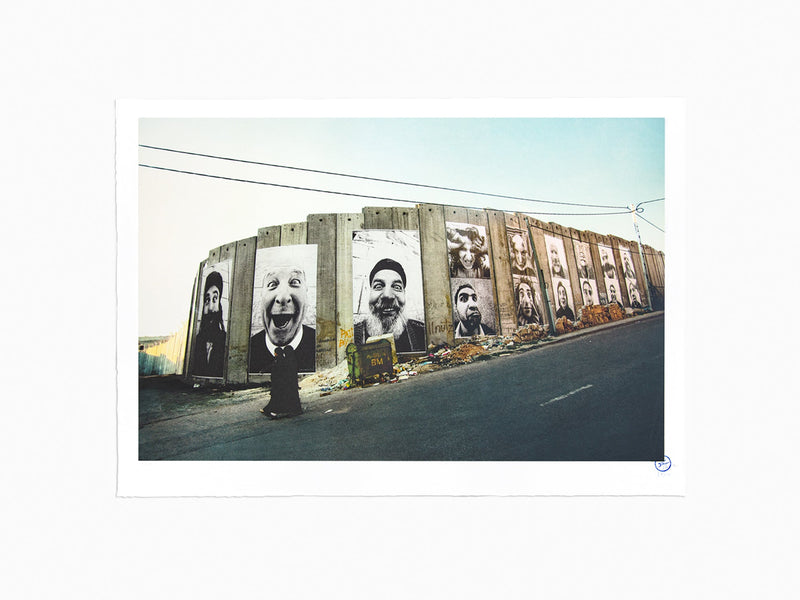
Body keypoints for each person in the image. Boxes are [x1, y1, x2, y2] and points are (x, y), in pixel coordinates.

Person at [249, 266, 316, 373]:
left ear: (306, 296)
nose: (282, 297)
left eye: (295, 282)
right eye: (272, 284)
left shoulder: (322, 348)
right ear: (261, 296)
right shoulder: (247, 352)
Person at [353, 258, 426, 352]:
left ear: (404, 293)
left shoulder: (423, 335)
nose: (387, 295)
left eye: (397, 287)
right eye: (378, 286)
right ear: (369, 292)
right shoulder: (349, 337)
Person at [193, 270, 226, 377]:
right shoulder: (196, 342)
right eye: (207, 300)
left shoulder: (225, 341)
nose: (211, 307)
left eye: (215, 299)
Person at [260, 345, 302, 420]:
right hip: (289, 383)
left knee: (282, 397)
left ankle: (275, 412)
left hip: (285, 383)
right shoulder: (291, 359)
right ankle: (293, 410)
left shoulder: (286, 361)